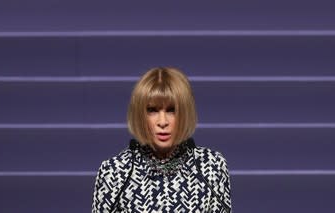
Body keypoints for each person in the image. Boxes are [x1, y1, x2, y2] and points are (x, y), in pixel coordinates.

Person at [91, 66, 232, 212]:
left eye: (172, 110)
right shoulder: (115, 172)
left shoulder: (210, 166)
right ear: (140, 114)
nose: (162, 122)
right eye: (152, 110)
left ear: (185, 112)